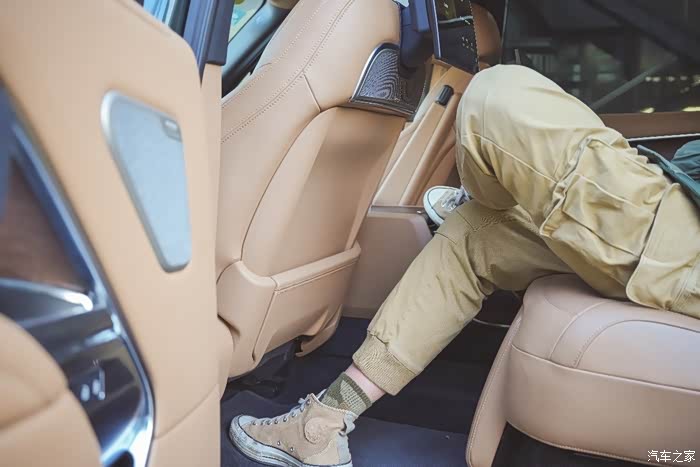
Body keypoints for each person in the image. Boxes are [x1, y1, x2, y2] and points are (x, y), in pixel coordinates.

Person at [228, 64, 700, 467]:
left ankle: (488, 190)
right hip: (679, 226)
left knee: (497, 92)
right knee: (476, 232)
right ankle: (322, 426)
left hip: (687, 237)